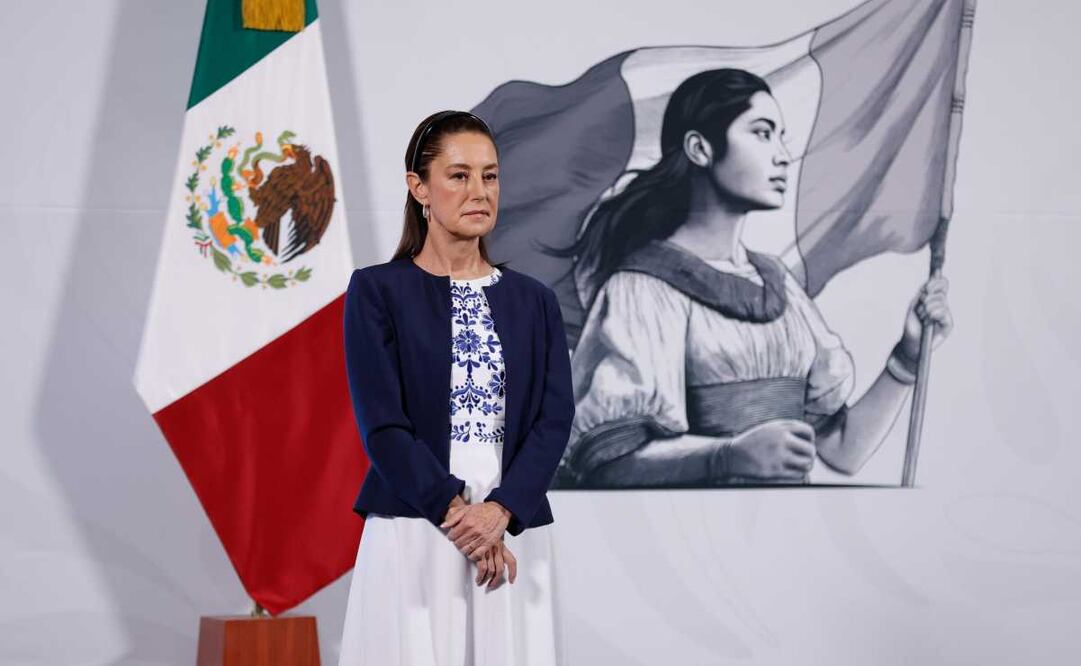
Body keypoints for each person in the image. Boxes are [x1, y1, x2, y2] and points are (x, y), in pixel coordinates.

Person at [549, 69, 953, 488]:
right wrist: (728, 456)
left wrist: (906, 358)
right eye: (762, 134)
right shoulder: (642, 289)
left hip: (784, 536)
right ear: (699, 148)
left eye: (782, 137)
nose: (781, 155)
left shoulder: (778, 285)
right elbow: (609, 464)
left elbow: (842, 450)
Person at [337, 110, 574, 666]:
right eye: (459, 175)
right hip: (416, 528)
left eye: (490, 176)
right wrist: (462, 518)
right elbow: (383, 425)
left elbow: (552, 420)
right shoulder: (376, 291)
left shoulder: (535, 300)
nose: (479, 191)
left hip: (512, 528)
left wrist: (500, 515)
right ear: (418, 187)